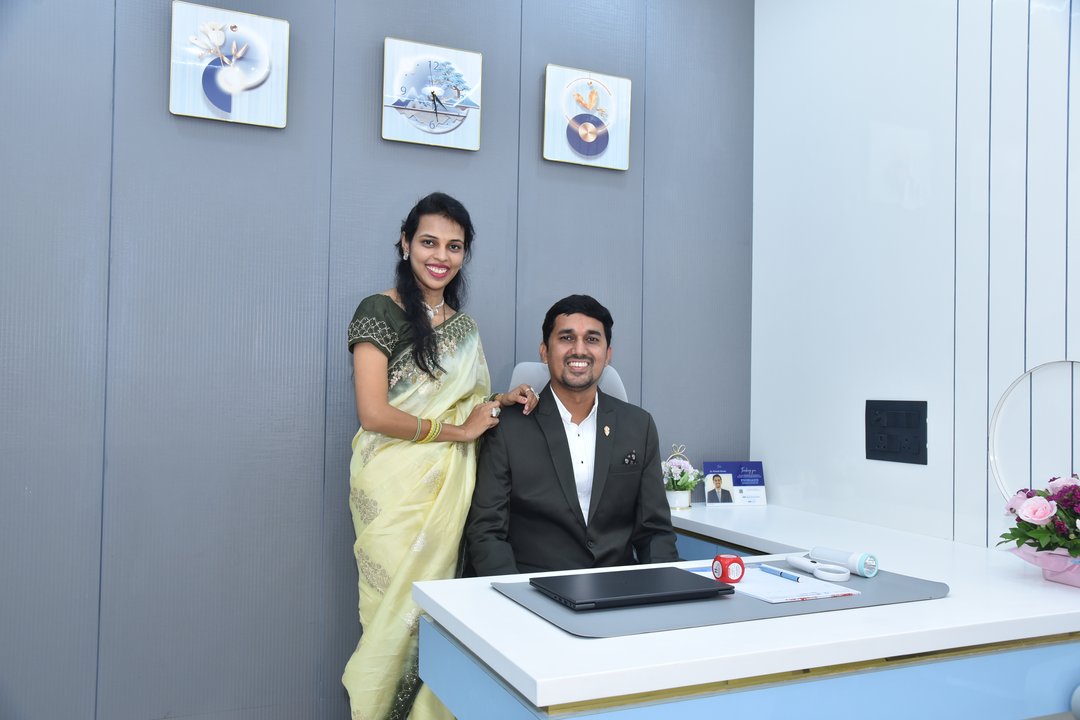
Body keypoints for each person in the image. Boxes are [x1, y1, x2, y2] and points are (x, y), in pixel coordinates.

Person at [342, 192, 538, 720]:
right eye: (429, 242)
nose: (441, 256)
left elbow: (466, 403)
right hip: (391, 486)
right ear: (405, 243)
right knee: (391, 615)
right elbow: (373, 413)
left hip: (447, 491)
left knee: (437, 616)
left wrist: (500, 401)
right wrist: (457, 432)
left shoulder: (464, 329)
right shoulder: (378, 310)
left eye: (454, 246)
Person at [465, 294, 679, 576]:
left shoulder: (638, 426)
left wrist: (665, 589)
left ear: (607, 354)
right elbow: (487, 532)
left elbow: (655, 532)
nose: (579, 350)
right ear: (544, 351)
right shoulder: (507, 427)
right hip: (534, 587)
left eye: (592, 339)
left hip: (616, 587)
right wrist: (514, 595)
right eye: (566, 338)